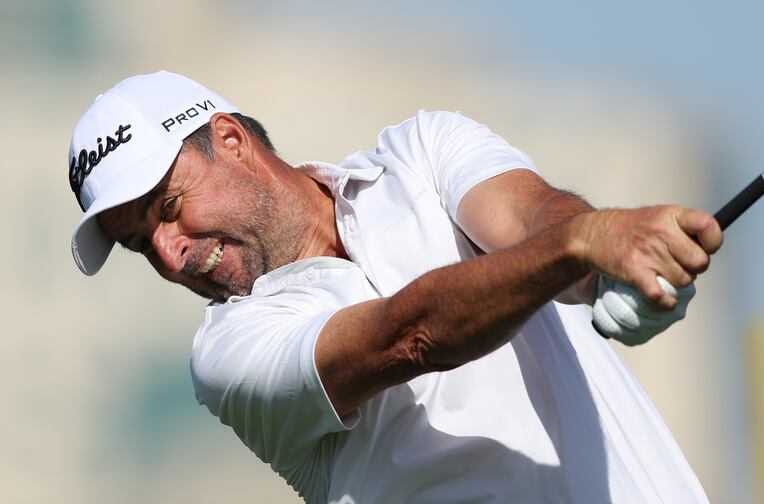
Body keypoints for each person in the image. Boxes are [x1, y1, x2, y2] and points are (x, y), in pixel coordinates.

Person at [68, 71, 722, 503]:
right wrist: (582, 246)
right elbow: (413, 337)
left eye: (167, 207)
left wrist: (609, 258)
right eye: (136, 244)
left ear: (232, 140)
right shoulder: (227, 355)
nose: (167, 251)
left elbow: (536, 219)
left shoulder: (422, 152)